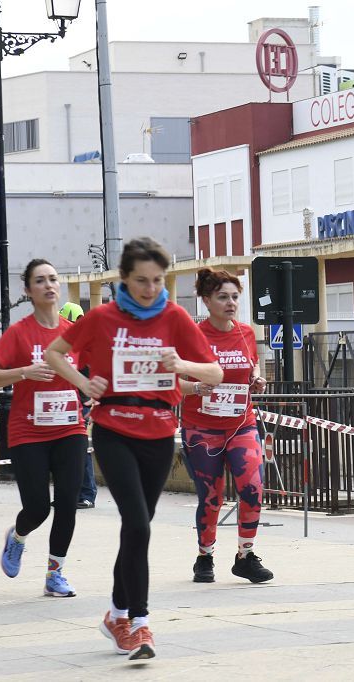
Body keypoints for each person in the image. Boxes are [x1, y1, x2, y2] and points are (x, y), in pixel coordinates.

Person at [46, 237, 222, 662]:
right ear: (124, 278)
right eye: (141, 281)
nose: (150, 289)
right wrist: (84, 383)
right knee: (138, 525)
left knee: (136, 529)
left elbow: (214, 372)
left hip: (160, 432)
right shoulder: (103, 318)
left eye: (158, 281)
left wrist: (181, 366)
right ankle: (140, 625)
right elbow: (55, 352)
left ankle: (116, 614)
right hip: (114, 430)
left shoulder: (175, 317)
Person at [0, 259, 87, 598]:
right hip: (29, 432)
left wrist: (96, 393)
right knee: (39, 507)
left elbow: (92, 372)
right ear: (29, 290)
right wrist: (24, 371)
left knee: (68, 502)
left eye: (53, 279)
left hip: (70, 428)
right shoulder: (19, 332)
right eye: (40, 280)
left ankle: (55, 574)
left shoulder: (74, 335)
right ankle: (17, 537)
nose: (48, 285)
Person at [179, 267, 272, 584]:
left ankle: (245, 556)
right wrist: (196, 388)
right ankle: (205, 556)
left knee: (253, 486)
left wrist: (257, 380)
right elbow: (168, 382)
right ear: (206, 300)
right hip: (201, 428)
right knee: (211, 495)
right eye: (222, 297)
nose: (231, 303)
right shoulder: (192, 336)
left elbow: (251, 367)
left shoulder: (246, 332)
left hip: (240, 423)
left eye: (235, 297)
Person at [60, 301, 97, 510]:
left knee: (81, 450)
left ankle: (86, 494)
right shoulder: (66, 345)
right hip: (67, 404)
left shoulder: (84, 346)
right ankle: (69, 494)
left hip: (81, 405)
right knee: (66, 452)